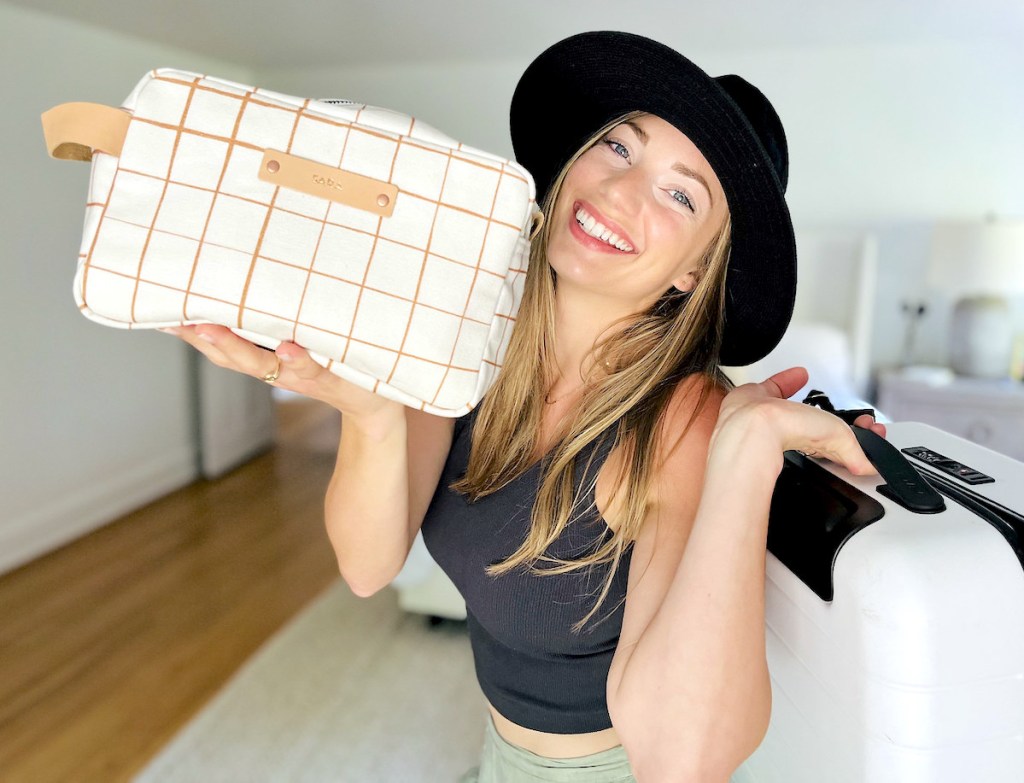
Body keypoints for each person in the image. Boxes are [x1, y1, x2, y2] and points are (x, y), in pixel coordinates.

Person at [163, 30, 887, 783]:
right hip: (499, 757)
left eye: (680, 194)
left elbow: (682, 762)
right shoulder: (469, 337)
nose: (620, 191)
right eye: (618, 147)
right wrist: (370, 410)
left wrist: (747, 448)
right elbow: (368, 565)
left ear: (696, 269)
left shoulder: (684, 421)